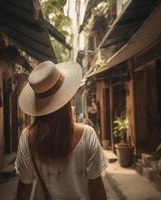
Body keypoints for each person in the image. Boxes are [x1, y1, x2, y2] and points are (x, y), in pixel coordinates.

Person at [15, 61, 107, 200]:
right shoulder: (87, 135)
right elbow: (97, 188)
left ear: (38, 105)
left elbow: (24, 190)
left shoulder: (27, 137)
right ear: (67, 98)